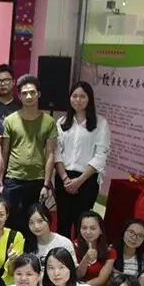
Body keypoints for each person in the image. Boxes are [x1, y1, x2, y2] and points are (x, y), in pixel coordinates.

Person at [1, 74, 57, 236]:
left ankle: (31, 251)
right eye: (24, 93)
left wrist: (46, 184)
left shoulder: (49, 122)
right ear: (19, 96)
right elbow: (4, 153)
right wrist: (1, 181)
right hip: (13, 178)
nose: (29, 96)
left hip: (37, 180)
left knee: (34, 222)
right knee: (11, 221)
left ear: (39, 94)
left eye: (32, 92)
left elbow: (50, 154)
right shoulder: (10, 120)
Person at [54, 82, 110, 239]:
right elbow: (56, 151)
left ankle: (82, 253)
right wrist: (65, 178)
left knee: (84, 225)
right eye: (74, 96)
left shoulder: (101, 124)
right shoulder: (61, 122)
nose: (78, 100)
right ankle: (62, 253)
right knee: (63, 222)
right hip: (64, 178)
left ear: (89, 99)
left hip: (87, 179)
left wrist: (79, 181)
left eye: (82, 96)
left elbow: (101, 155)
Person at [74, 210, 116, 286]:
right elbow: (78, 275)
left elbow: (101, 280)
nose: (88, 232)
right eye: (84, 228)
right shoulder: (73, 246)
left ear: (101, 231)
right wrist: (85, 259)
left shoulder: (110, 251)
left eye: (93, 228)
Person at [111, 218, 144, 286]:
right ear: (124, 232)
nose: (134, 238)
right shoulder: (111, 251)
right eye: (131, 232)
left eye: (140, 235)